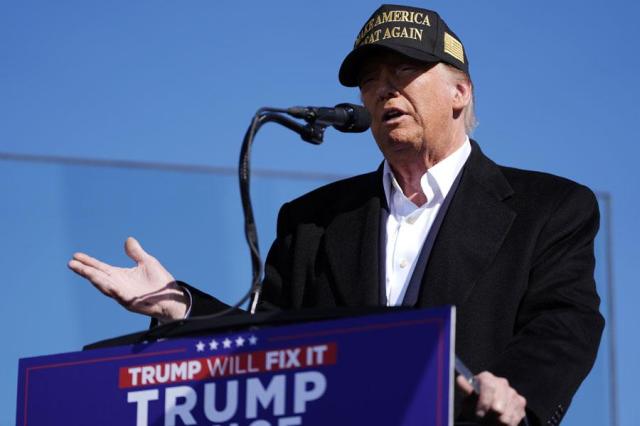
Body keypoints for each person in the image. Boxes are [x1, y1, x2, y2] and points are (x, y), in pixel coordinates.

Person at [68, 5, 603, 426]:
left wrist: (515, 391)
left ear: (459, 91)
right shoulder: (312, 220)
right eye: (370, 80)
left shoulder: (548, 208)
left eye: (406, 70)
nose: (384, 89)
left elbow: (566, 321)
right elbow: (267, 341)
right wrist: (178, 304)